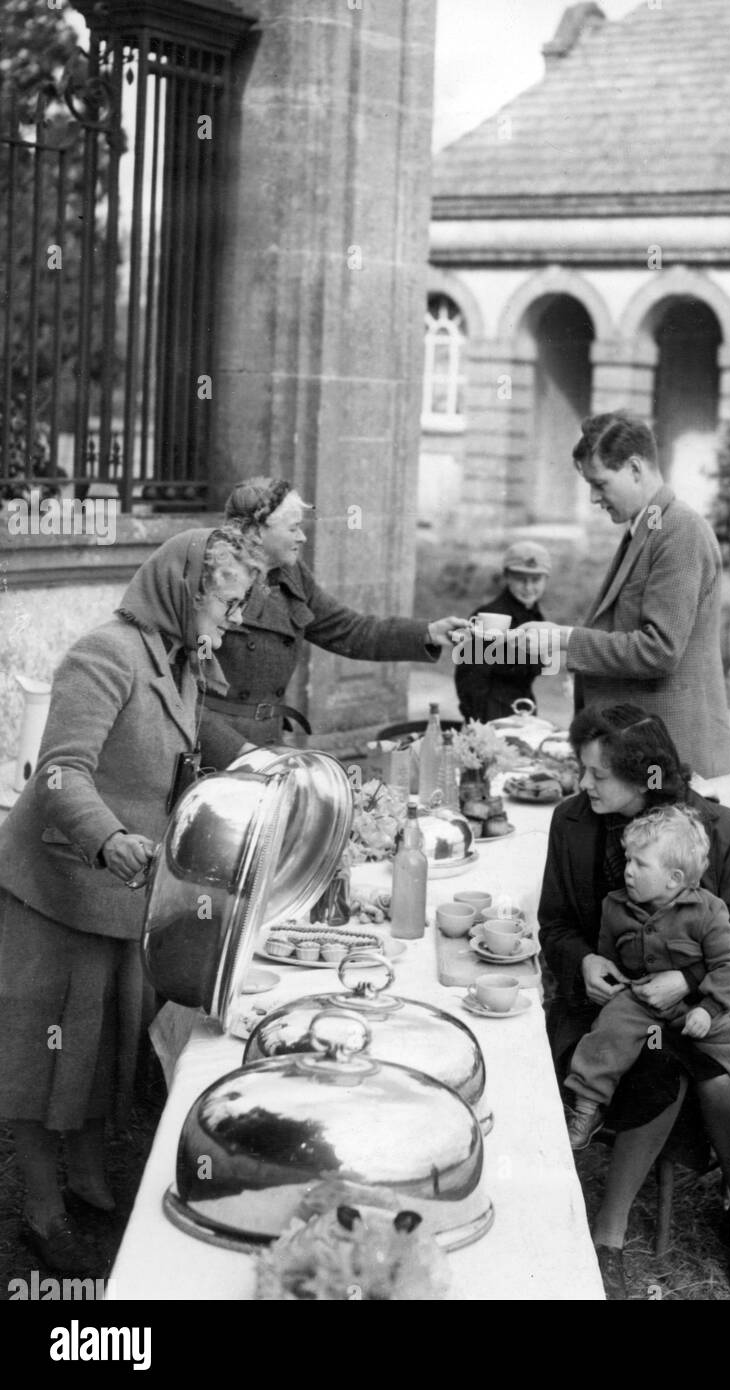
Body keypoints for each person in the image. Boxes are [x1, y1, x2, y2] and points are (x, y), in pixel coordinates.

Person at [0, 527, 262, 1275]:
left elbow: (188, 738)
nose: (235, 618)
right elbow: (59, 774)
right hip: (57, 890)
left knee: (98, 1043)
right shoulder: (104, 653)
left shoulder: (176, 658)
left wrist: (264, 763)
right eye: (228, 601)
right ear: (186, 590)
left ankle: (87, 1178)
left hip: (120, 896)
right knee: (42, 1056)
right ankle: (41, 1212)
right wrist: (111, 838)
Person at [539, 703, 730, 1300]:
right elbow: (556, 924)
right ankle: (609, 1235)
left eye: (597, 774)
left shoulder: (719, 829)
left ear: (646, 776)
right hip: (610, 1008)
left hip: (712, 1003)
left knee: (715, 1070)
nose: (582, 784)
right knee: (664, 1059)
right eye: (581, 770)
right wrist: (583, 961)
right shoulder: (572, 822)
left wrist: (690, 984)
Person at [517, 411, 730, 780]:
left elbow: (658, 651)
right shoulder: (650, 526)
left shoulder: (678, 530)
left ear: (635, 468)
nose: (593, 498)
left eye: (600, 484)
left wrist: (566, 639)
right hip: (649, 751)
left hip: (667, 756)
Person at [564, 804, 730, 1149]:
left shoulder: (707, 911)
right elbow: (610, 955)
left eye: (640, 864)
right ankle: (587, 1106)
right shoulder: (615, 906)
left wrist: (709, 1007)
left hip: (696, 1002)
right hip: (641, 999)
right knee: (606, 1033)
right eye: (628, 860)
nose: (628, 871)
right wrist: (610, 981)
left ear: (673, 878)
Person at [200, 477, 469, 760]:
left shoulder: (291, 574)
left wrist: (427, 633)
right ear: (255, 532)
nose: (302, 538)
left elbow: (350, 630)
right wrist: (239, 751)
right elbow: (178, 693)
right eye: (293, 528)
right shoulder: (209, 577)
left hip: (268, 742)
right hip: (217, 748)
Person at [454, 539, 553, 722]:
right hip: (490, 714)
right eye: (520, 579)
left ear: (546, 579)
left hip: (525, 710)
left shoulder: (536, 617)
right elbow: (469, 680)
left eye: (536, 579)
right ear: (507, 577)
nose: (529, 587)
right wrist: (479, 723)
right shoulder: (489, 617)